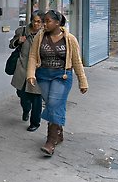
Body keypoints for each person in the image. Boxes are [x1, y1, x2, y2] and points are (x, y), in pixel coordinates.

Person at [26, 9, 88, 156]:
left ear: (58, 23)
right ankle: (58, 131)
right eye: (43, 21)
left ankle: (50, 141)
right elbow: (33, 56)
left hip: (62, 76)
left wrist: (82, 81)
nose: (44, 24)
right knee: (53, 105)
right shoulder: (40, 37)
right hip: (43, 75)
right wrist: (31, 74)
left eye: (48, 21)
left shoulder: (70, 39)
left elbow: (77, 61)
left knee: (54, 103)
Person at [9, 10, 43, 132]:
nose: (36, 24)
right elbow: (11, 44)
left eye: (39, 21)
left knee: (37, 98)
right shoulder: (22, 31)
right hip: (22, 68)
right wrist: (18, 41)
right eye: (34, 21)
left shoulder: (45, 35)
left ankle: (35, 122)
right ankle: (26, 109)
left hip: (38, 71)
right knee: (22, 94)